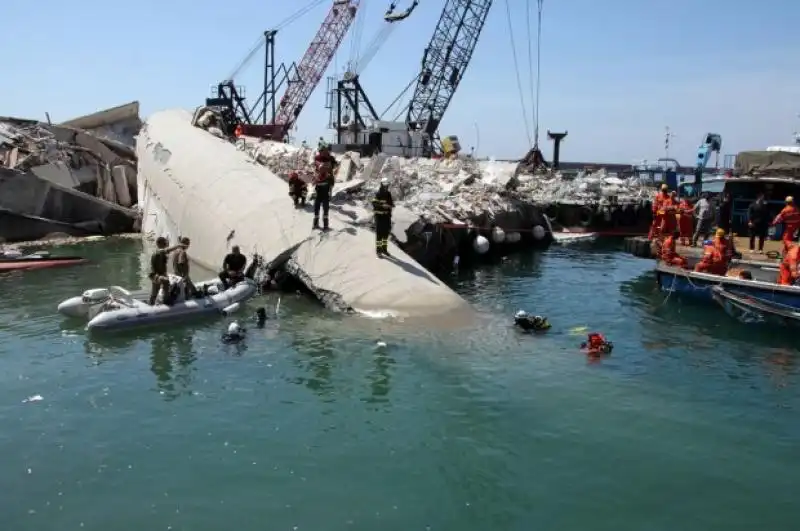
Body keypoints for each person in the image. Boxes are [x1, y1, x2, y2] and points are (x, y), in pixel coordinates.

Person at [148, 236, 185, 306]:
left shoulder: (159, 252)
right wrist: (178, 245)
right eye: (164, 242)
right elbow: (167, 250)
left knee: (155, 291)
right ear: (159, 243)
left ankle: (151, 304)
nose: (165, 244)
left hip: (156, 275)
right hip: (156, 275)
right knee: (165, 281)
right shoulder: (159, 251)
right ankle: (166, 300)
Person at [312, 144, 337, 230]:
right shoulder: (318, 158)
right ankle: (316, 223)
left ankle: (325, 224)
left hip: (326, 184)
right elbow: (320, 168)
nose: (325, 152)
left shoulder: (329, 158)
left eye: (326, 150)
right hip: (319, 184)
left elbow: (333, 168)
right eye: (323, 151)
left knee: (325, 205)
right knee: (317, 204)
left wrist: (331, 181)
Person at [372, 178, 394, 257]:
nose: (386, 187)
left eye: (387, 186)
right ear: (382, 185)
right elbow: (374, 203)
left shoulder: (388, 194)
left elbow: (391, 204)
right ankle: (378, 251)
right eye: (385, 186)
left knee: (385, 235)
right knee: (379, 235)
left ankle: (384, 249)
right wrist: (382, 205)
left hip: (387, 217)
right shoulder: (378, 194)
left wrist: (389, 206)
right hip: (379, 217)